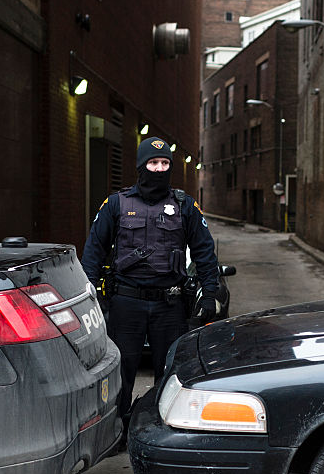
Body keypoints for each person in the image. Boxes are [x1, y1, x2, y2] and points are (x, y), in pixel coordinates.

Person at [81, 136, 221, 425]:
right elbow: (94, 250)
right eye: (153, 163)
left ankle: (159, 426)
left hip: (169, 304)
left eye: (164, 163)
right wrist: (88, 293)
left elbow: (204, 251)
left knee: (169, 371)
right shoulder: (116, 204)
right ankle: (117, 428)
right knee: (123, 369)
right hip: (126, 302)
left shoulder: (185, 206)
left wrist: (210, 292)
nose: (159, 169)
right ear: (141, 166)